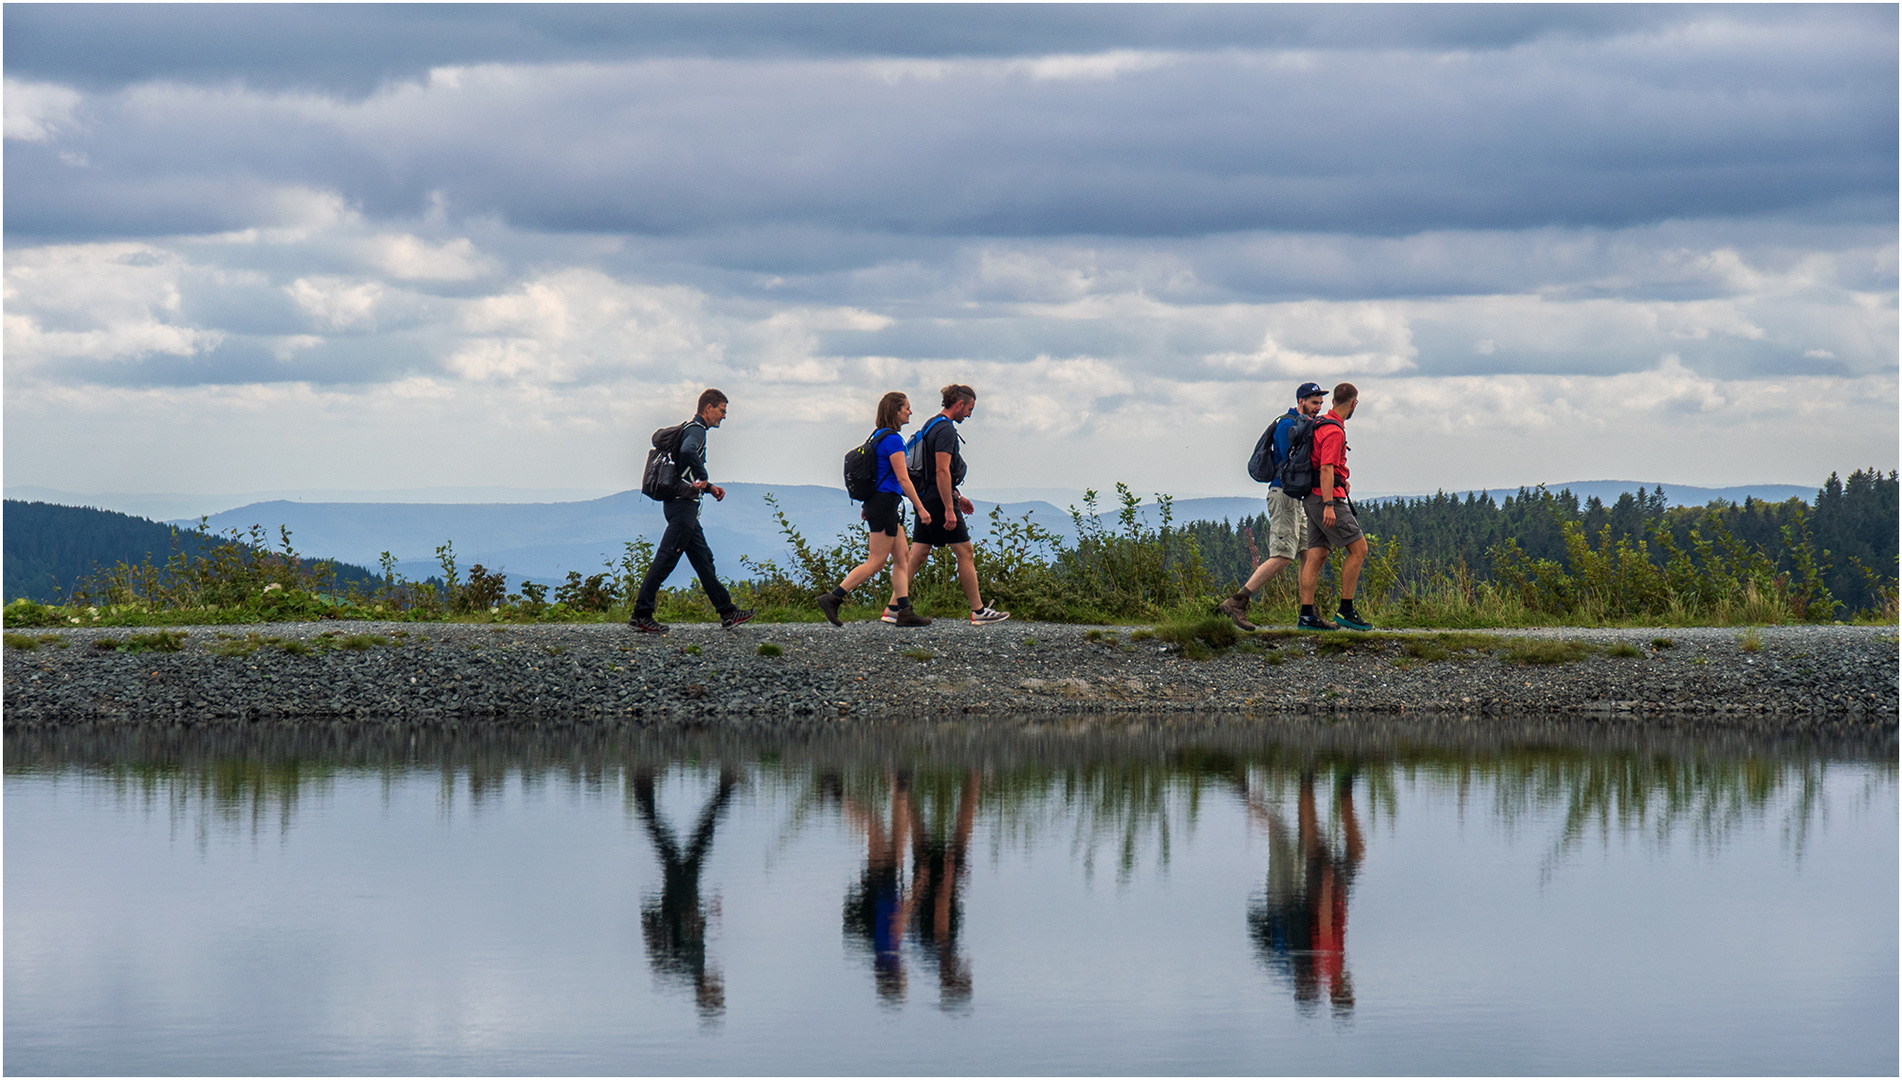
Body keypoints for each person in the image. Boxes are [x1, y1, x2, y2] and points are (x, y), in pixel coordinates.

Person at [629, 389, 755, 633]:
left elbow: (684, 471)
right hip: (682, 508)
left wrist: (708, 488)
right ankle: (641, 614)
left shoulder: (690, 427)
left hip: (680, 504)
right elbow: (688, 452)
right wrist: (704, 477)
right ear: (708, 408)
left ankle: (727, 612)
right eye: (722, 411)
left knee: (703, 560)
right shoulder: (696, 430)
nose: (724, 416)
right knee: (665, 559)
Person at [889, 384, 1010, 625]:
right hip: (937, 501)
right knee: (965, 552)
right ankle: (978, 611)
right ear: (959, 404)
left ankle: (894, 606)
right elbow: (942, 471)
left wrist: (957, 496)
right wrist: (948, 507)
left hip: (925, 496)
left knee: (919, 552)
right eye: (969, 409)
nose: (969, 414)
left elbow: (932, 471)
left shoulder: (931, 424)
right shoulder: (946, 430)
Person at [817, 392, 934, 627]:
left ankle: (904, 612)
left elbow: (876, 474)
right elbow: (903, 479)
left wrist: (868, 504)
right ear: (896, 411)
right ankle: (833, 597)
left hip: (879, 503)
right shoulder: (893, 440)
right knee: (876, 562)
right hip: (884, 504)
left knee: (902, 558)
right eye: (907, 408)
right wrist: (920, 508)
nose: (910, 412)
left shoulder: (878, 436)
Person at [1220, 381, 1329, 630]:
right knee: (1282, 555)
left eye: (1320, 404)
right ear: (1301, 401)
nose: (1317, 408)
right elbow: (1290, 460)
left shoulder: (1300, 424)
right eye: (1314, 403)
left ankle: (1308, 613)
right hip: (1284, 494)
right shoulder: (1287, 425)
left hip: (1296, 497)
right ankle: (1237, 601)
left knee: (1307, 553)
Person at [1297, 382, 1371, 631]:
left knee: (1317, 554)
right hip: (1325, 498)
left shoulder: (1320, 424)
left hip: (1311, 496)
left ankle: (1307, 616)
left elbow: (1327, 465)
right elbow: (1326, 467)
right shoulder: (1335, 431)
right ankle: (1346, 610)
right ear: (1353, 403)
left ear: (1332, 402)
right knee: (1359, 549)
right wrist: (1329, 503)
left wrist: (1341, 480)